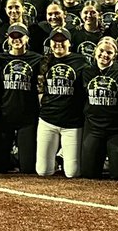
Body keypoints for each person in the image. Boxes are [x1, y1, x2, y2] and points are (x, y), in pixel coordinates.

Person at [0, 23, 41, 175]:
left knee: (28, 169)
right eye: (13, 36)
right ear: (8, 38)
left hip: (28, 119)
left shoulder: (37, 59)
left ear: (27, 38)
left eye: (20, 36)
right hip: (5, 116)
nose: (16, 39)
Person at [79, 37, 118, 181]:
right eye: (101, 51)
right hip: (93, 127)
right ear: (95, 51)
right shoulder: (86, 72)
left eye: (109, 52)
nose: (104, 55)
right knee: (89, 174)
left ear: (115, 54)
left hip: (116, 129)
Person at [35, 29, 86, 177]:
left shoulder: (80, 61)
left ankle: (62, 155)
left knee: (72, 173)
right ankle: (57, 158)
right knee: (43, 171)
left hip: (72, 123)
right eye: (55, 40)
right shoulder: (44, 61)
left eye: (62, 40)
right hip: (48, 120)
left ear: (69, 43)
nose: (58, 44)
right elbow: (39, 87)